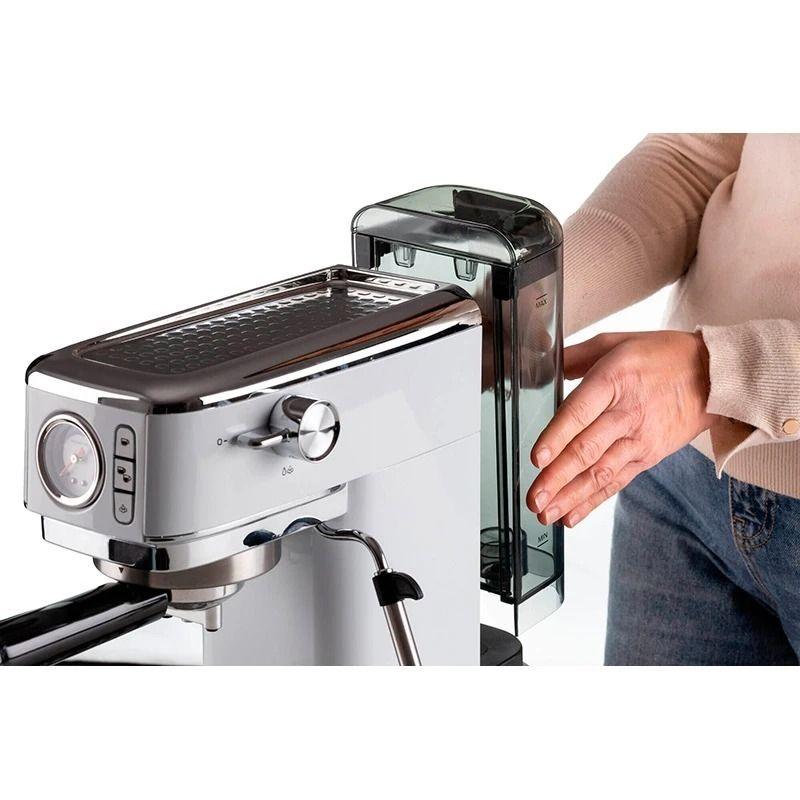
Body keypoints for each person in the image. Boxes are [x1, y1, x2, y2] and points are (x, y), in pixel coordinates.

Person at [527, 134, 800, 665]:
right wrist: (532, 303)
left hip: (695, 399)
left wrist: (718, 374)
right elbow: (694, 157)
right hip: (681, 473)